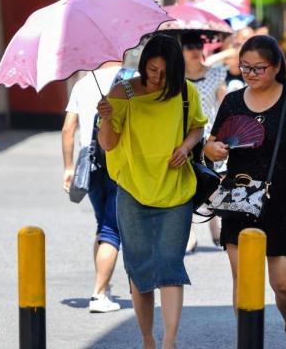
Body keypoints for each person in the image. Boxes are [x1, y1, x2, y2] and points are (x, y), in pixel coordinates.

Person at [204, 35, 286, 349]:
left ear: (277, 66)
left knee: (284, 284)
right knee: (244, 281)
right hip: (239, 198)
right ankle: (248, 342)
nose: (251, 74)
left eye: (259, 68)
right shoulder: (231, 101)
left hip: (285, 199)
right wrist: (213, 150)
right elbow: (212, 144)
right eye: (245, 67)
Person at [97, 34, 207, 349]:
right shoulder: (123, 92)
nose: (156, 78)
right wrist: (106, 118)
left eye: (163, 72)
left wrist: (186, 147)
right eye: (151, 70)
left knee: (171, 264)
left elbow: (197, 126)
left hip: (175, 190)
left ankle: (170, 341)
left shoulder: (186, 93)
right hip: (132, 190)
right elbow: (108, 144)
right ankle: (148, 339)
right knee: (139, 268)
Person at [62, 62, 124, 313]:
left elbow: (68, 129)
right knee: (112, 229)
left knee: (103, 225)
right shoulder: (131, 80)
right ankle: (99, 294)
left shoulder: (82, 84)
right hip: (119, 159)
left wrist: (68, 167)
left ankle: (104, 286)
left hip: (89, 162)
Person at [181, 31, 227, 251]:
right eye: (189, 46)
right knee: (186, 183)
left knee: (212, 181)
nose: (194, 50)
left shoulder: (216, 74)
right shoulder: (176, 78)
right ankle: (189, 234)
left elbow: (225, 106)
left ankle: (215, 228)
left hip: (210, 136)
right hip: (184, 137)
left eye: (198, 45)